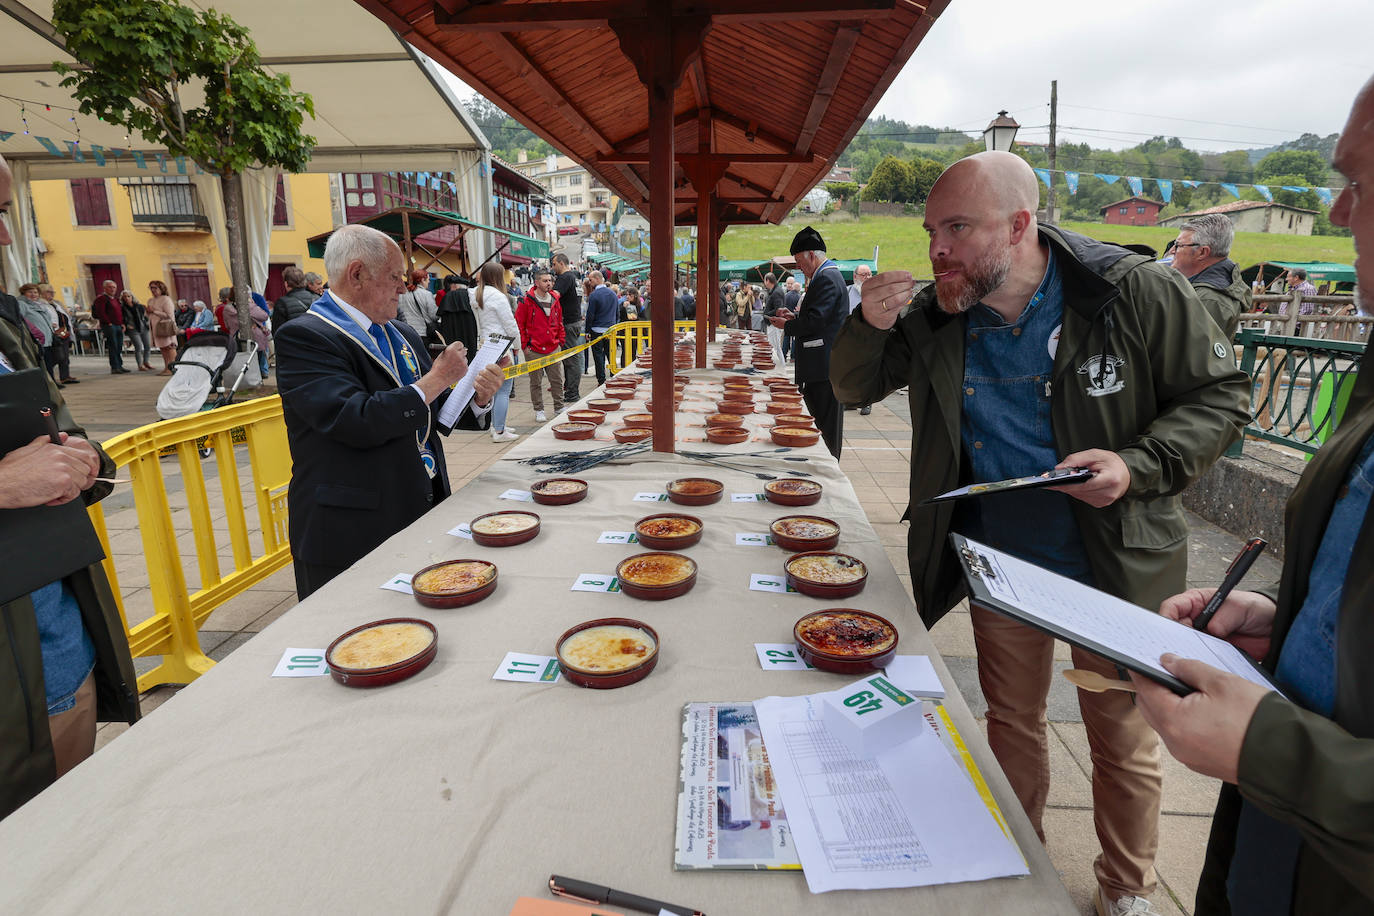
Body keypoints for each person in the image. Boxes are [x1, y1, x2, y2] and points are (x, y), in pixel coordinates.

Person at [830, 151, 1250, 916]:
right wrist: (868, 321)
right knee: (1011, 718)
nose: (937, 250)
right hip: (999, 560)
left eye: (957, 227)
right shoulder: (938, 311)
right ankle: (1016, 863)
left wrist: (1137, 463)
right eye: (932, 230)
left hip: (1114, 559)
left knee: (1122, 737)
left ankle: (1127, 890)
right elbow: (854, 386)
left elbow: (1221, 398)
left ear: (1021, 225)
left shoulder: (1133, 291)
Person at [1131, 74, 1374, 916]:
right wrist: (1295, 616)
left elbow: (1216, 396)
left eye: (1358, 183)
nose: (1339, 215)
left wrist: (1273, 752)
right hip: (1276, 852)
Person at [0, 153, 141, 821]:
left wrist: (84, 460)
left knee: (60, 830)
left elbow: (58, 423)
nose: (5, 236)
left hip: (55, 632)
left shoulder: (4, 322)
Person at [274, 224, 503, 599]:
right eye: (395, 276)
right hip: (352, 527)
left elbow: (430, 413)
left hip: (417, 505)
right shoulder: (306, 336)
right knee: (350, 637)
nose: (404, 286)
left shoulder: (401, 333)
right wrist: (436, 379)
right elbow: (354, 419)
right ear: (357, 274)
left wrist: (477, 398)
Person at [768, 226, 848, 457]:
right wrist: (794, 317)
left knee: (824, 425)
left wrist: (789, 326)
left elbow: (817, 321)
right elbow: (818, 317)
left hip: (824, 368)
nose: (799, 268)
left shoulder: (827, 277)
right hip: (820, 366)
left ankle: (826, 470)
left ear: (811, 255)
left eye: (799, 262)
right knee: (819, 421)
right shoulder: (825, 275)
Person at [1170, 213, 1250, 339]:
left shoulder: (1210, 299)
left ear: (1202, 252)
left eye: (1178, 245)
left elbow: (1188, 349)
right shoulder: (1204, 289)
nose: (1172, 251)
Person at [474, 261, 522, 443]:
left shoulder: (476, 295)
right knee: (504, 389)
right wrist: (517, 345)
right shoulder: (499, 297)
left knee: (493, 389)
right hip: (502, 347)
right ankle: (500, 430)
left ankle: (496, 425)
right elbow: (510, 325)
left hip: (485, 345)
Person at [515, 267, 564, 421]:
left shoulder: (555, 298)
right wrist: (525, 346)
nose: (548, 283)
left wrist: (560, 341)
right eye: (545, 281)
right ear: (537, 282)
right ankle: (539, 409)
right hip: (533, 348)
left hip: (553, 347)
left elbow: (559, 321)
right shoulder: (526, 300)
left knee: (556, 379)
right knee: (535, 381)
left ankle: (559, 406)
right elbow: (519, 324)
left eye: (550, 280)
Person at [552, 254, 583, 404]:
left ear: (560, 263)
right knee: (571, 357)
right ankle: (570, 388)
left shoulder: (564, 278)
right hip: (574, 321)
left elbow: (554, 296)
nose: (553, 267)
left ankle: (573, 392)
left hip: (569, 323)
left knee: (571, 359)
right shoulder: (573, 277)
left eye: (554, 264)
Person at [16, 283, 59, 387]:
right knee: (43, 363)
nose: (33, 294)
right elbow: (20, 320)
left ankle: (51, 382)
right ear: (23, 293)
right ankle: (47, 384)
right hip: (37, 340)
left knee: (49, 362)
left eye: (35, 292)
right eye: (30, 292)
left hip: (47, 339)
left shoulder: (38, 304)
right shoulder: (22, 304)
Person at [37, 284, 77, 385]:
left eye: (52, 292)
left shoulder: (56, 304)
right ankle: (48, 375)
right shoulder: (40, 304)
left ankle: (65, 376)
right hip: (54, 333)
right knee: (58, 356)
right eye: (48, 292)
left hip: (64, 332)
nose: (51, 294)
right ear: (42, 293)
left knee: (65, 356)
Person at [584, 270, 618, 386]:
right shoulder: (613, 294)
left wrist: (587, 331)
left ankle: (601, 380)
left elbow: (590, 315)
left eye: (591, 279)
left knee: (598, 356)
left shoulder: (594, 295)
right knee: (611, 354)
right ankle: (614, 376)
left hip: (597, 329)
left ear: (597, 279)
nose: (590, 282)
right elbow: (616, 313)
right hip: (611, 329)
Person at [435, 275, 479, 358]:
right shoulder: (469, 296)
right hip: (470, 332)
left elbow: (441, 317)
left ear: (455, 286)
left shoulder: (447, 296)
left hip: (451, 335)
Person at [89, 280, 127, 374]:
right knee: (113, 346)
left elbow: (119, 312)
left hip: (118, 325)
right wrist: (108, 322)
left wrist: (122, 323)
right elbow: (101, 312)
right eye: (110, 287)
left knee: (119, 346)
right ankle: (115, 367)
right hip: (110, 326)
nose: (112, 289)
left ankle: (120, 365)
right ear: (105, 288)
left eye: (114, 287)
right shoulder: (101, 299)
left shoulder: (115, 299)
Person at [271, 266, 316, 335]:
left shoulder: (281, 303)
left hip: (295, 343)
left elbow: (277, 332)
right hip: (317, 342)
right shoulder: (316, 298)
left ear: (286, 284)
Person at [145, 280, 177, 375]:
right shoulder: (150, 300)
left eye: (155, 288)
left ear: (161, 288)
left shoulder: (166, 299)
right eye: (151, 288)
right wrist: (147, 311)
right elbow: (149, 315)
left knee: (169, 347)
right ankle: (166, 367)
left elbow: (169, 315)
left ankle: (172, 368)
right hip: (155, 327)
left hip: (165, 327)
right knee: (163, 348)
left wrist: (154, 311)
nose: (153, 290)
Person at [396, 269, 438, 339]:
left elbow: (399, 311)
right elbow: (433, 315)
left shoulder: (403, 294)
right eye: (428, 279)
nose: (429, 281)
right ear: (422, 280)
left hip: (405, 331)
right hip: (421, 332)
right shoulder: (427, 294)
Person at [119, 290, 153, 372]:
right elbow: (121, 319)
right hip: (133, 329)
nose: (127, 298)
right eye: (124, 297)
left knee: (148, 346)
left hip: (143, 327)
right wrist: (126, 325)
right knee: (138, 347)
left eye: (128, 296)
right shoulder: (122, 308)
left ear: (132, 297)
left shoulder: (139, 306)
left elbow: (145, 316)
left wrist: (146, 322)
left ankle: (146, 362)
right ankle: (140, 365)